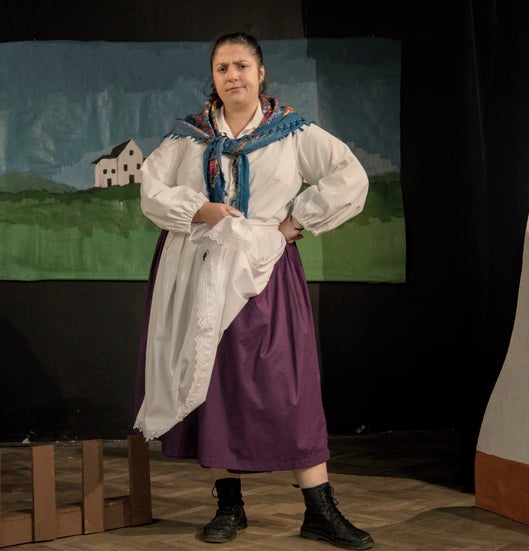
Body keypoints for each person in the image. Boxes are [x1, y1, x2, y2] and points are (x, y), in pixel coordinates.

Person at [133, 32, 373, 550]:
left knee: (289, 387)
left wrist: (295, 222)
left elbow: (348, 176)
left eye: (241, 66)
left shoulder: (291, 132)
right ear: (213, 77)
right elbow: (151, 189)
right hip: (200, 271)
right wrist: (200, 210)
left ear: (261, 73)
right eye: (222, 68)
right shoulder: (190, 136)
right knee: (212, 383)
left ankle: (319, 509)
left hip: (264, 270)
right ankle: (229, 505)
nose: (232, 76)